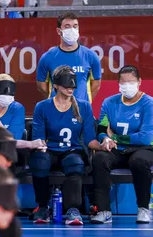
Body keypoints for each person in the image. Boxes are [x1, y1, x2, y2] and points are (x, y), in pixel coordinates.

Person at [30, 65, 106, 226]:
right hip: (49, 150)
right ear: (56, 85)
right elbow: (38, 137)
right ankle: (43, 206)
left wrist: (102, 146)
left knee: (75, 163)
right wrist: (40, 146)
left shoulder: (84, 106)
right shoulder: (42, 107)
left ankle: (73, 210)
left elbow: (89, 139)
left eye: (73, 85)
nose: (70, 88)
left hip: (72, 150)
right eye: (66, 85)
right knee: (40, 161)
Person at [90, 65, 153, 224]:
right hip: (117, 150)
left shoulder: (149, 104)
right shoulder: (109, 103)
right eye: (123, 83)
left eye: (131, 82)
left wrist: (114, 137)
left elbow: (145, 138)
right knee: (99, 159)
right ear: (118, 83)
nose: (127, 86)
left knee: (138, 161)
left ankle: (143, 209)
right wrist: (105, 138)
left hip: (144, 150)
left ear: (139, 82)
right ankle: (103, 210)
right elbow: (101, 128)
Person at [36, 12, 102, 103]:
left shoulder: (91, 56)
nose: (72, 30)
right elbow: (42, 87)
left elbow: (96, 86)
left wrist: (83, 103)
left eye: (75, 26)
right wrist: (57, 101)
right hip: (56, 111)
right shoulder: (47, 58)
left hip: (81, 112)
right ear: (59, 31)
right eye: (67, 27)